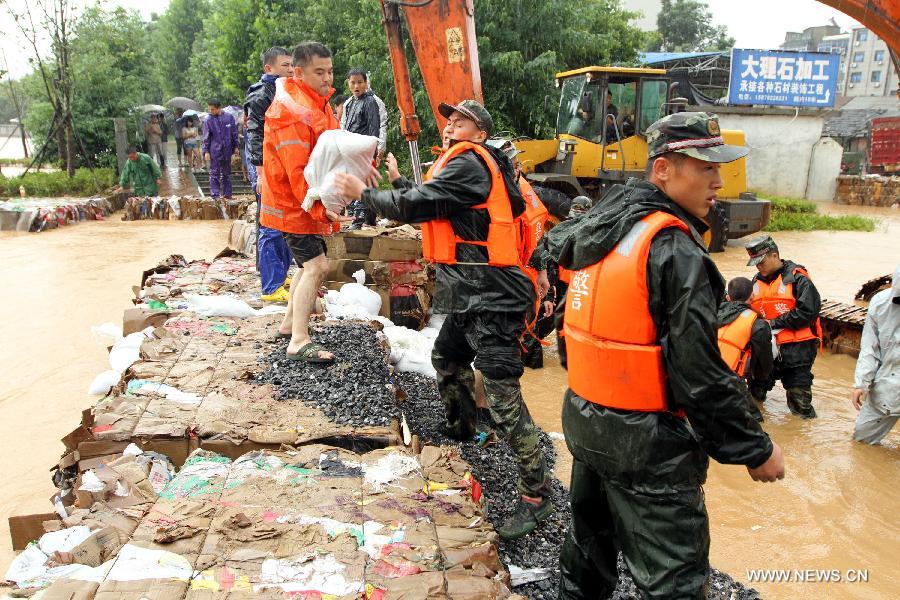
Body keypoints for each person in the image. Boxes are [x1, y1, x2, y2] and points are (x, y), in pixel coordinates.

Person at [545, 112, 784, 599]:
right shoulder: (674, 249)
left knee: (587, 558)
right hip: (647, 447)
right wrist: (754, 450)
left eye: (720, 167)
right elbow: (699, 373)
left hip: (587, 426)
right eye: (704, 168)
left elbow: (570, 334)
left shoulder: (599, 231)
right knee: (674, 581)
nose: (719, 181)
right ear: (662, 170)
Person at [334, 99, 554, 541]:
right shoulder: (469, 166)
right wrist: (398, 183)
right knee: (446, 357)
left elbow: (425, 203)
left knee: (503, 396)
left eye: (462, 120)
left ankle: (536, 494)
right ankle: (462, 427)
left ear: (480, 131)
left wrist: (366, 195)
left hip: (494, 298)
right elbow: (441, 206)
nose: (451, 124)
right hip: (474, 293)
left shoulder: (471, 162)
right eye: (449, 118)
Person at [260, 41, 354, 362]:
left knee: (307, 265)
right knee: (317, 266)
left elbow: (333, 148)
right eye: (319, 72)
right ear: (299, 72)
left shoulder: (318, 103)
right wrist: (319, 207)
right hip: (293, 205)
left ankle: (289, 324)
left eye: (330, 71)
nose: (328, 78)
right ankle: (299, 341)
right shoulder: (291, 110)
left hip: (306, 203)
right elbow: (296, 169)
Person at [746, 235, 821, 419]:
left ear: (774, 256)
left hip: (797, 349)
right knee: (754, 396)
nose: (758, 267)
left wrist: (774, 323)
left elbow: (808, 312)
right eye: (755, 263)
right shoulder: (755, 281)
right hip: (765, 348)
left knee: (799, 402)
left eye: (761, 262)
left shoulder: (799, 279)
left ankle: (803, 439)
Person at [245, 46, 296, 304]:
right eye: (285, 65)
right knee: (271, 224)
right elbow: (254, 134)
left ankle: (281, 275)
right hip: (265, 167)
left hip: (280, 165)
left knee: (284, 223)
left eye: (291, 65)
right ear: (269, 68)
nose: (290, 69)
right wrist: (260, 172)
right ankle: (271, 286)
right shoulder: (262, 94)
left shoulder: (283, 91)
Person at [851, 265, 899, 444]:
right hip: (886, 387)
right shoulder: (880, 304)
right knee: (861, 444)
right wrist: (861, 384)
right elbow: (870, 348)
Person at [717, 276, 775, 422]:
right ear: (753, 296)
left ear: (728, 297)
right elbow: (763, 363)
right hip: (730, 380)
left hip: (702, 374)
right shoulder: (758, 324)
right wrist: (759, 385)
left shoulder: (712, 313)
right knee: (756, 424)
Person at [341, 68, 387, 229]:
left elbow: (374, 128)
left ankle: (359, 220)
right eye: (353, 82)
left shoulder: (370, 101)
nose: (356, 86)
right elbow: (344, 127)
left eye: (360, 82)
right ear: (348, 84)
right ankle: (356, 218)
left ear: (366, 83)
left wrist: (372, 152)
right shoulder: (350, 102)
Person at [203, 98, 239, 199]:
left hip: (227, 150)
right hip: (214, 151)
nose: (211, 111)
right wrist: (206, 151)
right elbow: (206, 137)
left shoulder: (229, 117)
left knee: (226, 174)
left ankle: (227, 194)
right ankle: (215, 195)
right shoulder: (208, 120)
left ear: (219, 108)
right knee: (214, 173)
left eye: (213, 109)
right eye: (210, 109)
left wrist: (236, 146)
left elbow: (234, 133)